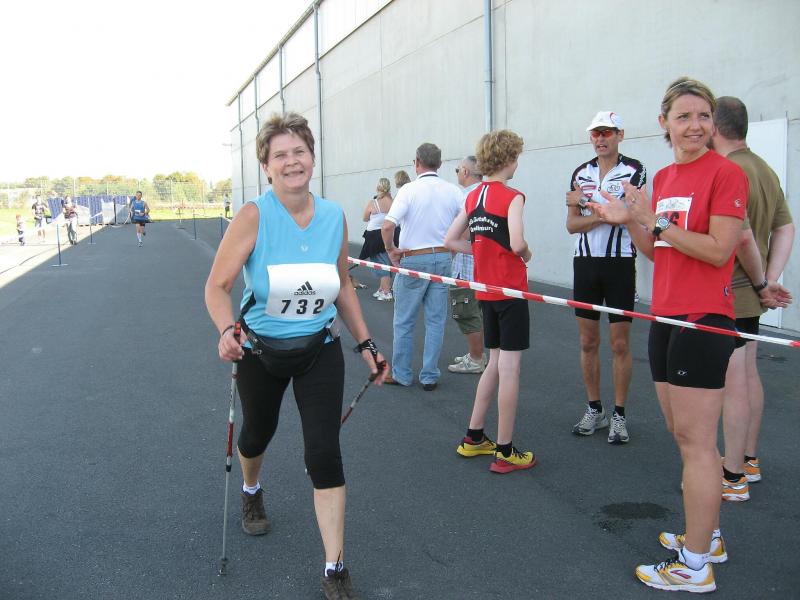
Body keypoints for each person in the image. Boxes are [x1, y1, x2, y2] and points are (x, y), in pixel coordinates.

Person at [205, 112, 386, 600]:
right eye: (280, 155)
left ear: (312, 157)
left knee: (324, 453)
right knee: (257, 433)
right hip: (260, 352)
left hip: (318, 349)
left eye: (299, 151)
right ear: (266, 166)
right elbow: (217, 286)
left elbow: (341, 283)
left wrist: (367, 343)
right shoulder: (254, 216)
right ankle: (251, 491)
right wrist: (226, 330)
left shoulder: (333, 216)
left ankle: (335, 567)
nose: (291, 162)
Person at [592, 77, 748, 593]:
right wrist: (630, 220)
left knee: (699, 444)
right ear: (665, 123)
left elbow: (719, 250)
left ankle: (695, 566)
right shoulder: (662, 176)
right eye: (684, 117)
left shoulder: (726, 173)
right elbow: (658, 252)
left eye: (703, 116)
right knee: (683, 437)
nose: (695, 126)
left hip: (705, 320)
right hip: (666, 316)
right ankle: (708, 537)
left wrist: (653, 221)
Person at [710, 96, 795, 502]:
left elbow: (743, 238)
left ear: (715, 127)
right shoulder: (763, 168)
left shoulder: (727, 171)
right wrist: (770, 279)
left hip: (732, 292)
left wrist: (763, 283)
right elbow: (786, 228)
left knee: (733, 384)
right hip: (751, 292)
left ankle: (732, 476)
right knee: (747, 375)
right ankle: (748, 460)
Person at [445, 129, 536, 474]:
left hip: (485, 291)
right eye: (517, 158)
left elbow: (450, 240)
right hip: (510, 291)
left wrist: (481, 252)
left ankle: (474, 437)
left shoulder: (473, 196)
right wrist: (526, 254)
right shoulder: (513, 196)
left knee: (495, 362)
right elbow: (517, 243)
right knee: (509, 368)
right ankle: (505, 450)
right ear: (510, 159)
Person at [565, 111, 646, 443]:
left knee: (620, 343)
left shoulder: (635, 169)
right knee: (587, 341)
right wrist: (605, 212)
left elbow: (628, 214)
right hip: (585, 263)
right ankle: (594, 408)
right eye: (596, 133)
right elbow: (572, 225)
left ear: (619, 135)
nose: (600, 139)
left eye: (607, 133)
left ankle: (619, 414)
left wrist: (587, 203)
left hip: (619, 264)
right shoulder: (580, 172)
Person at [381, 143, 462, 390]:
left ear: (417, 163)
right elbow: (468, 221)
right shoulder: (453, 191)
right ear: (440, 164)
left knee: (404, 320)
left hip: (414, 258)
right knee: (436, 321)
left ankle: (402, 374)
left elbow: (388, 225)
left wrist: (390, 250)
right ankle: (429, 375)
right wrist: (454, 246)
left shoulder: (408, 190)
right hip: (443, 258)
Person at [448, 156, 487, 374]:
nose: (457, 174)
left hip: (466, 265)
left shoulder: (467, 196)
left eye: (457, 170)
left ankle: (476, 358)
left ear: (465, 171)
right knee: (477, 313)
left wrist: (450, 251)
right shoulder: (486, 192)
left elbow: (462, 232)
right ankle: (477, 355)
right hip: (483, 266)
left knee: (466, 312)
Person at [358, 178, 394, 301]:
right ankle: (382, 288)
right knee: (385, 261)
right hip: (389, 234)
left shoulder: (373, 203)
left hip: (374, 237)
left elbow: (365, 218)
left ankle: (387, 292)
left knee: (381, 263)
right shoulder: (393, 202)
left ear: (378, 188)